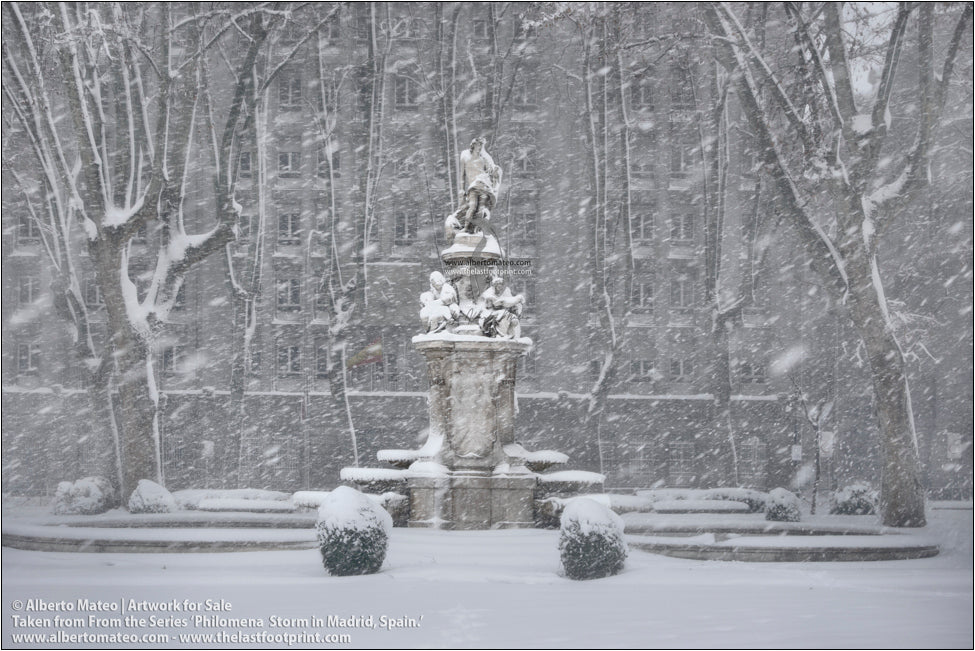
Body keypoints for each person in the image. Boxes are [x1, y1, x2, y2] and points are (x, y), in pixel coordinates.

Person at [477, 274, 524, 338]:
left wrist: (515, 304)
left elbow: (510, 301)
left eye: (501, 286)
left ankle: (511, 333)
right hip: (490, 313)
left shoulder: (505, 292)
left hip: (503, 312)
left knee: (513, 318)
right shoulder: (488, 294)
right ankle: (501, 334)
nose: (500, 288)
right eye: (498, 286)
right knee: (504, 315)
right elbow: (484, 306)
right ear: (494, 286)